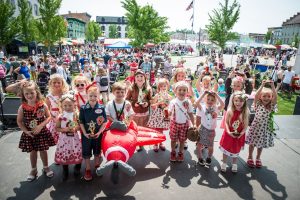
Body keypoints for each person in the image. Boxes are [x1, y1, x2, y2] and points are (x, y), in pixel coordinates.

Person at [17, 81, 56, 181]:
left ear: (36, 92)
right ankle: (33, 169)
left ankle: (46, 167)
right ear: (23, 95)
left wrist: (40, 126)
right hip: (30, 134)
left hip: (41, 132)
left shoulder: (42, 105)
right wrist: (26, 132)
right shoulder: (22, 107)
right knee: (33, 151)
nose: (29, 95)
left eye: (32, 93)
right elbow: (19, 122)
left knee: (43, 150)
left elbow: (48, 117)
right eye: (27, 93)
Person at [246, 80, 277, 168]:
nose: (266, 98)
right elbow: (256, 95)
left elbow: (275, 97)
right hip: (256, 128)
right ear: (261, 97)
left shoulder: (271, 106)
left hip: (264, 129)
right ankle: (250, 157)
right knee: (252, 143)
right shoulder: (258, 104)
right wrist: (262, 85)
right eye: (264, 96)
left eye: (268, 96)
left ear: (271, 97)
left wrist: (273, 86)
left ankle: (258, 158)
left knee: (261, 145)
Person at [79, 84, 107, 181]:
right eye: (91, 95)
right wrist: (84, 133)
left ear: (98, 96)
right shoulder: (83, 108)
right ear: (87, 96)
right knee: (86, 153)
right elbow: (81, 122)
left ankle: (97, 166)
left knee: (97, 151)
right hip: (86, 135)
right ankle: (87, 169)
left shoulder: (102, 107)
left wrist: (99, 132)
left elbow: (104, 122)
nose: (93, 98)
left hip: (97, 135)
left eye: (95, 95)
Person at [219, 91, 249, 173]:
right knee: (226, 148)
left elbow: (246, 125)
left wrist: (241, 134)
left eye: (240, 101)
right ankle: (224, 162)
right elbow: (226, 122)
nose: (238, 103)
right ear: (233, 101)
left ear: (244, 102)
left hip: (238, 135)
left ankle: (234, 164)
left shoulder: (245, 112)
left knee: (236, 149)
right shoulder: (230, 110)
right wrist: (228, 131)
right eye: (236, 100)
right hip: (228, 134)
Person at [55, 93, 82, 180]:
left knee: (76, 151)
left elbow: (79, 126)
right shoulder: (60, 116)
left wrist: (76, 128)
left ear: (74, 104)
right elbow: (57, 128)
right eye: (65, 105)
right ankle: (65, 170)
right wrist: (65, 130)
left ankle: (77, 167)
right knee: (65, 153)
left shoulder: (76, 115)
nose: (67, 107)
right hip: (64, 139)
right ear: (62, 105)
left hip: (74, 138)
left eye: (70, 105)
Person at [195, 91, 224, 166]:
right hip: (203, 129)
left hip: (211, 131)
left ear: (215, 101)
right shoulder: (202, 107)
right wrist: (204, 94)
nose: (210, 101)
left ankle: (209, 157)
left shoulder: (216, 108)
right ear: (205, 100)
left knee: (210, 146)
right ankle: (200, 157)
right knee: (199, 144)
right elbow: (196, 102)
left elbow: (223, 104)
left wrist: (216, 94)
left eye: (212, 100)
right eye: (208, 99)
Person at [168, 81, 195, 162]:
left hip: (184, 124)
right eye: (179, 90)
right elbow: (169, 113)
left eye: (184, 90)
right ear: (175, 91)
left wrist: (194, 125)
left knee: (182, 140)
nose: (182, 92)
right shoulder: (173, 102)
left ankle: (180, 153)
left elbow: (190, 113)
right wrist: (167, 112)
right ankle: (173, 152)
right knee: (173, 140)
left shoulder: (188, 102)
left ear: (187, 92)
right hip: (174, 124)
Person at [126, 70, 152, 151]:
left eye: (141, 76)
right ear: (135, 78)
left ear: (144, 78)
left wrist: (147, 103)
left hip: (144, 113)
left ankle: (141, 144)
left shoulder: (148, 88)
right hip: (134, 113)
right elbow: (127, 99)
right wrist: (134, 103)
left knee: (142, 129)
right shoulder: (131, 88)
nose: (139, 78)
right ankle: (134, 142)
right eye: (137, 76)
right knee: (134, 128)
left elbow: (150, 100)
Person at [147, 78, 172, 152]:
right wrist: (158, 103)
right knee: (156, 130)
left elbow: (171, 106)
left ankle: (161, 142)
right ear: (159, 88)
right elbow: (152, 105)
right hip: (157, 114)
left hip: (165, 114)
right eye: (161, 86)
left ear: (167, 87)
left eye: (164, 86)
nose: (163, 88)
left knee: (161, 130)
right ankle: (155, 143)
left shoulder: (169, 96)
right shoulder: (157, 95)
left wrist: (167, 106)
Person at [46, 74, 69, 143]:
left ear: (62, 83)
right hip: (54, 119)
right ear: (51, 83)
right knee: (57, 138)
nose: (56, 84)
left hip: (65, 117)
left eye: (59, 82)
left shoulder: (66, 94)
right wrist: (53, 118)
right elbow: (47, 109)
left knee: (66, 137)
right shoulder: (49, 96)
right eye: (54, 82)